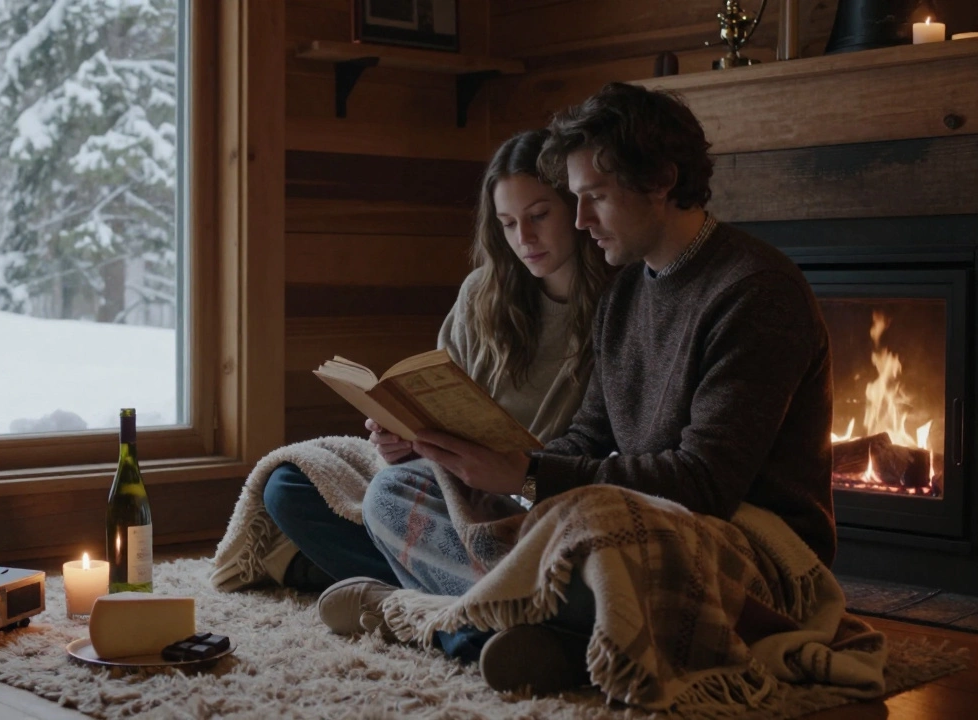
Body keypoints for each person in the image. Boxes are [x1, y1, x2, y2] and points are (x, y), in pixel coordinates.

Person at [319, 82, 836, 697]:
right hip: (634, 518)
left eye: (594, 198)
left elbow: (707, 483)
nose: (582, 219)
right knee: (398, 490)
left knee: (602, 535)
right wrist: (509, 480)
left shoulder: (754, 291)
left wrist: (531, 477)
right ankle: (552, 634)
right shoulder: (627, 288)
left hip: (742, 545)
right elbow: (592, 432)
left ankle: (442, 620)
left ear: (662, 180)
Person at [209, 128, 614, 658]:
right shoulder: (484, 294)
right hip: (453, 480)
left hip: (533, 495)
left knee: (388, 502)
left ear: (575, 209)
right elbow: (443, 397)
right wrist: (406, 434)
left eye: (540, 216)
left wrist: (514, 468)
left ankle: (433, 614)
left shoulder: (616, 303)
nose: (524, 239)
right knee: (288, 486)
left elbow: (594, 442)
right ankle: (466, 604)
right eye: (508, 223)